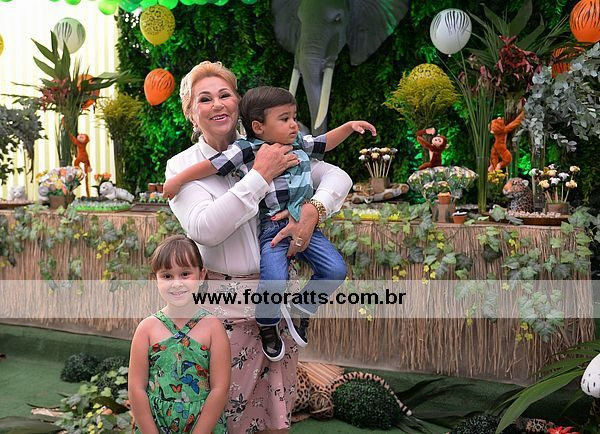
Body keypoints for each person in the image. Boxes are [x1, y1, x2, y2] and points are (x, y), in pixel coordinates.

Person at [166, 61, 352, 433]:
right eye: (205, 99)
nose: (217, 104)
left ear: (238, 103)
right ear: (190, 112)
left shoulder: (269, 144)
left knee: (275, 412)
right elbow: (206, 228)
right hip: (225, 307)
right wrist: (259, 175)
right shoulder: (182, 166)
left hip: (276, 294)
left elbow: (335, 175)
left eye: (225, 94)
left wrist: (313, 210)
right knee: (226, 410)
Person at [163, 86, 376, 362]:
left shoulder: (296, 144)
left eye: (293, 117)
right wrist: (179, 180)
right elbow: (214, 166)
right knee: (274, 281)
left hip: (302, 223)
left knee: (335, 269)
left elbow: (325, 147)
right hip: (272, 229)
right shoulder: (248, 149)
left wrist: (348, 127)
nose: (293, 124)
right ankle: (267, 325)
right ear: (258, 126)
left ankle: (301, 309)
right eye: (285, 119)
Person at [128, 235, 230, 434]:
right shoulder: (146, 330)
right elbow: (136, 389)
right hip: (155, 426)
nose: (176, 283)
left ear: (201, 275)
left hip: (203, 427)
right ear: (155, 279)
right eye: (167, 276)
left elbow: (220, 389)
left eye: (185, 274)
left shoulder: (213, 328)